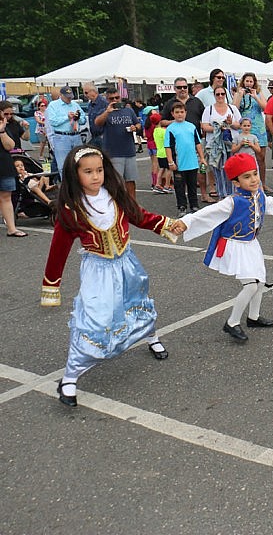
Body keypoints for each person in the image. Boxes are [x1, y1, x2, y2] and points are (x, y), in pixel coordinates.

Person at [41, 145, 177, 407]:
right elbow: (58, 249)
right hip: (98, 270)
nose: (96, 176)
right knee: (93, 318)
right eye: (88, 172)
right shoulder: (71, 209)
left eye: (100, 170)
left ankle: (151, 336)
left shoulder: (116, 195)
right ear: (74, 174)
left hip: (126, 263)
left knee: (136, 302)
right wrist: (51, 284)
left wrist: (168, 224)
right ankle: (70, 377)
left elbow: (141, 217)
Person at [169, 153, 273, 342]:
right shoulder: (232, 202)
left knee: (260, 281)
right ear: (235, 182)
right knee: (251, 285)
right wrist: (185, 222)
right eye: (246, 177)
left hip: (251, 243)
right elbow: (206, 213)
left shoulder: (260, 195)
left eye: (255, 174)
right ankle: (232, 322)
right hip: (233, 246)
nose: (253, 179)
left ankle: (253, 317)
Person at [160, 77, 210, 203]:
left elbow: (203, 118)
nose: (182, 89)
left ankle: (202, 195)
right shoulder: (169, 103)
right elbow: (162, 121)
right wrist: (176, 122)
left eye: (184, 87)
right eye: (179, 87)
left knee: (198, 173)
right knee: (181, 180)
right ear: (174, 88)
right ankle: (182, 204)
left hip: (195, 141)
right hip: (178, 148)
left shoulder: (196, 101)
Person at [93, 87, 141, 200]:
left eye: (117, 97)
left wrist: (135, 127)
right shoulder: (105, 111)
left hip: (129, 151)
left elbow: (138, 124)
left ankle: (132, 205)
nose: (115, 100)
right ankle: (117, 206)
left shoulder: (128, 110)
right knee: (115, 182)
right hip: (113, 152)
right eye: (111, 98)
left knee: (130, 181)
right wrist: (107, 112)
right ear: (107, 99)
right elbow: (97, 123)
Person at [165, 102, 207, 217]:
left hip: (192, 162)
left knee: (192, 185)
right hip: (179, 163)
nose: (180, 115)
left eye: (182, 112)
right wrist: (170, 161)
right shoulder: (170, 129)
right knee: (179, 186)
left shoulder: (191, 126)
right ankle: (182, 206)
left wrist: (202, 158)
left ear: (186, 113)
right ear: (172, 114)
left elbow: (197, 143)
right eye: (177, 112)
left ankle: (194, 205)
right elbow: (168, 146)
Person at [232, 72, 269, 193]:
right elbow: (234, 108)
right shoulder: (239, 93)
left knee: (260, 157)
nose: (249, 84)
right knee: (244, 156)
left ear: (254, 83)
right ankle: (245, 184)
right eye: (247, 81)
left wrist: (255, 96)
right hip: (244, 127)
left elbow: (266, 108)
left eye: (251, 81)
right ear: (243, 82)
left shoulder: (258, 93)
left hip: (258, 128)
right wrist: (239, 95)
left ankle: (262, 183)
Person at [201, 87, 241, 199]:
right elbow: (204, 126)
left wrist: (230, 123)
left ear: (225, 95)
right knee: (218, 171)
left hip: (231, 144)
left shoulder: (232, 108)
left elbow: (239, 125)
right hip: (215, 146)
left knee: (232, 169)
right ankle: (222, 195)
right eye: (217, 94)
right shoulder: (208, 109)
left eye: (222, 94)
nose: (220, 96)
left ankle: (233, 195)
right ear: (214, 95)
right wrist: (218, 127)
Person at [0, 101, 30, 237]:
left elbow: (9, 145)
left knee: (6, 196)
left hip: (5, 163)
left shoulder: (6, 126)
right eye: (5, 114)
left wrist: (1, 131)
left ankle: (11, 228)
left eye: (10, 114)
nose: (8, 117)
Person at [46, 86, 86, 179]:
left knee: (79, 163)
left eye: (71, 97)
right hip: (61, 137)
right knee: (63, 166)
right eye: (67, 97)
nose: (69, 99)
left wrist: (78, 117)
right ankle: (66, 188)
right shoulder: (53, 105)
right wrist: (66, 118)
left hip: (76, 136)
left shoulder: (75, 105)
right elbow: (53, 122)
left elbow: (83, 120)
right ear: (61, 95)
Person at [151, 112, 172, 194]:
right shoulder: (163, 131)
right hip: (166, 152)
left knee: (161, 169)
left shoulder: (155, 131)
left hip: (159, 152)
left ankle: (157, 184)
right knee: (169, 169)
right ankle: (167, 185)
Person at [83, 83, 108, 148]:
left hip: (103, 136)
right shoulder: (90, 104)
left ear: (93, 91)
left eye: (86, 92)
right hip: (94, 136)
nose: (85, 95)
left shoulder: (104, 103)